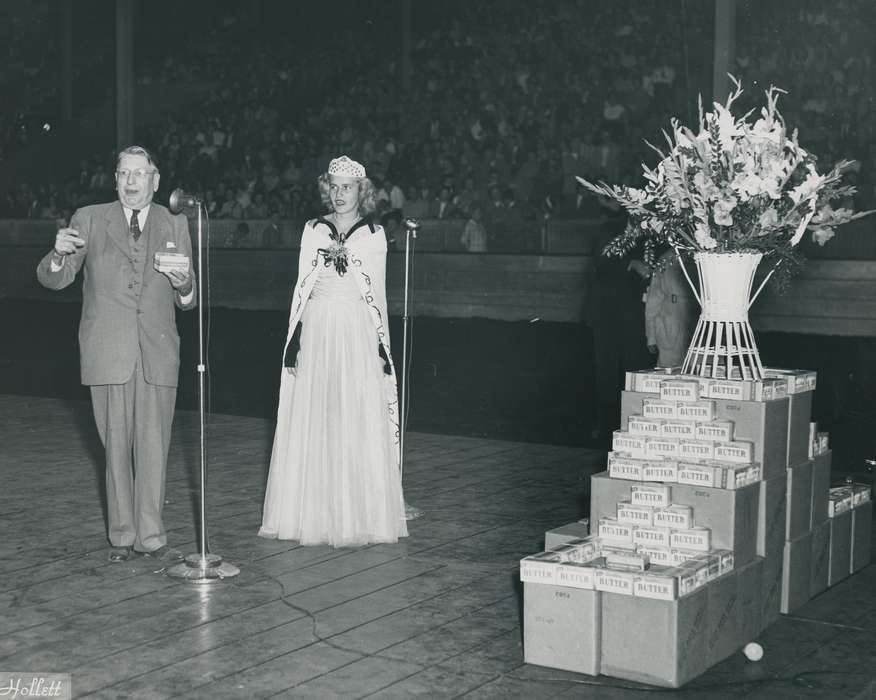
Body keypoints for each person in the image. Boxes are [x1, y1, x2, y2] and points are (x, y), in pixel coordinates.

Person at [36, 145, 195, 563]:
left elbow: (188, 297)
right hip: (108, 349)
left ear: (155, 181)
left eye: (139, 174)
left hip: (158, 351)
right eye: (124, 173)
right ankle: (123, 535)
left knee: (154, 447)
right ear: (115, 179)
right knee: (116, 449)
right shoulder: (89, 218)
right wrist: (58, 254)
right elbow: (55, 280)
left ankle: (151, 537)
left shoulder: (175, 221)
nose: (130, 181)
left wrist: (184, 284)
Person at [259, 155, 408, 546]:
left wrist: (379, 345)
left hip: (356, 330)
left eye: (348, 188)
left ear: (362, 191)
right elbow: (303, 289)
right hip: (319, 328)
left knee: (354, 415)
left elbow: (377, 296)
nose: (340, 194)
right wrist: (296, 340)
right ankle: (315, 515)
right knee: (318, 415)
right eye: (334, 187)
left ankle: (357, 516)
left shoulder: (373, 235)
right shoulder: (313, 230)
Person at [645, 249, 696, 368]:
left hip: (699, 318)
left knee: (699, 368)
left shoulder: (704, 256)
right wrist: (651, 336)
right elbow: (653, 302)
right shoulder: (666, 259)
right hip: (671, 321)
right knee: (669, 367)